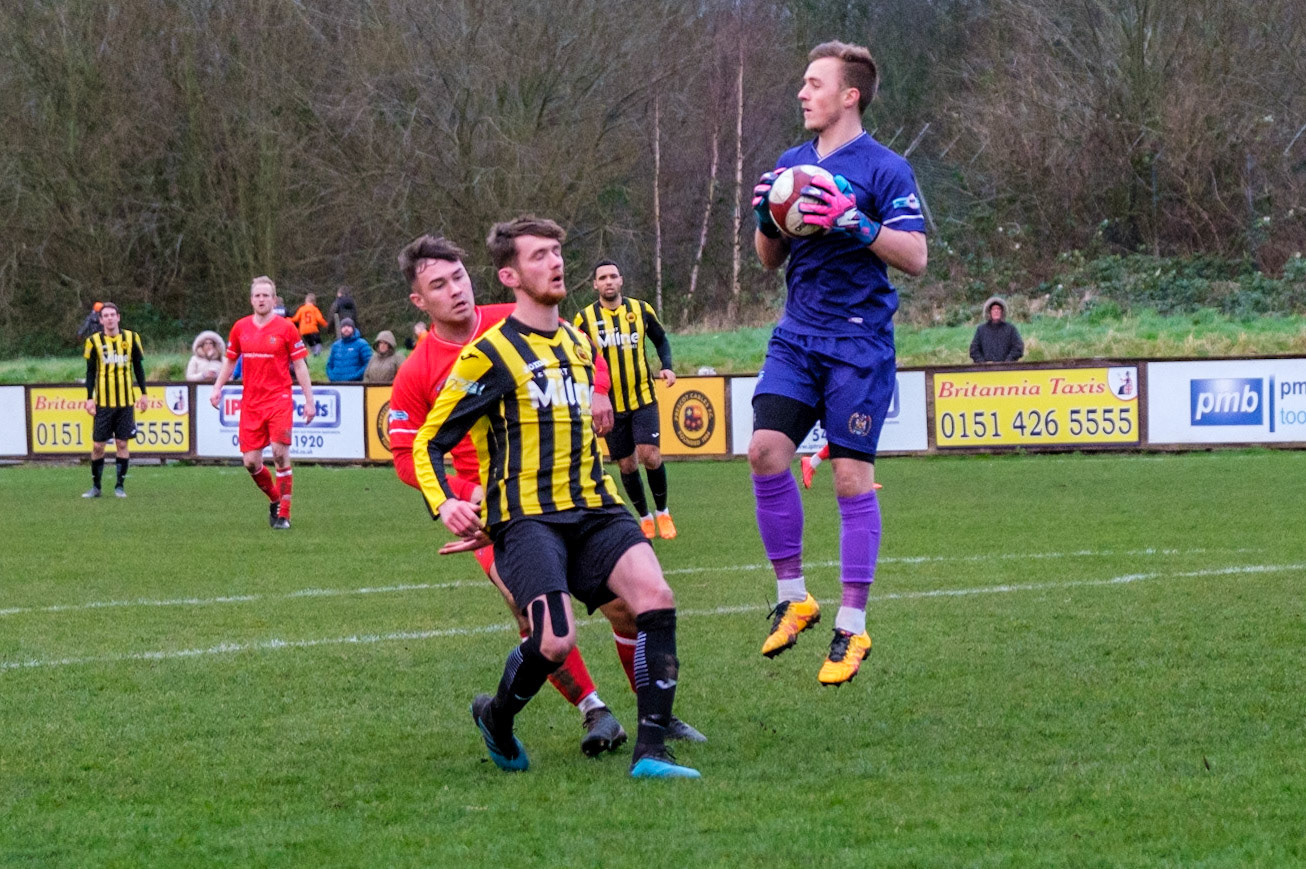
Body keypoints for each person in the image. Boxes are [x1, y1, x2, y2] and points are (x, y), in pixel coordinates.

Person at [390, 234, 703, 758]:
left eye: (459, 277)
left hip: (572, 497)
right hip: (497, 511)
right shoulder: (417, 372)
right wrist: (464, 497)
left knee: (630, 608)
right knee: (536, 621)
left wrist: (599, 390)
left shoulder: (516, 319)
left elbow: (586, 351)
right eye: (439, 286)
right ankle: (593, 709)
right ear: (419, 301)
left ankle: (656, 717)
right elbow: (408, 455)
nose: (456, 291)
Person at [749, 41, 928, 686]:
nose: (802, 93)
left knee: (850, 480)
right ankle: (793, 595)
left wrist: (857, 222)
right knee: (765, 451)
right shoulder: (790, 164)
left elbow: (915, 257)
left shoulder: (886, 168)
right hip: (797, 337)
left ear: (849, 95)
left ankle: (852, 627)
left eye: (814, 83)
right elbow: (769, 259)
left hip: (858, 344)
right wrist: (768, 218)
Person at [573, 260, 678, 540]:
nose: (608, 281)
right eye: (602, 278)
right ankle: (644, 518)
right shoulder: (583, 320)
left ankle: (663, 512)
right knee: (627, 465)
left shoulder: (641, 310)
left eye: (613, 276)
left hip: (642, 397)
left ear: (621, 280)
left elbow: (661, 339)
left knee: (650, 455)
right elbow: (576, 357)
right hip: (609, 406)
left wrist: (667, 366)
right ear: (595, 285)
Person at [209, 276, 316, 530]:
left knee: (280, 453)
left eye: (266, 295)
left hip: (279, 398)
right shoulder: (240, 327)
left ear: (274, 299)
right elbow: (230, 360)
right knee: (251, 462)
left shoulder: (286, 328)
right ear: (251, 300)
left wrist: (309, 400)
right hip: (251, 403)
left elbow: (300, 365)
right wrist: (217, 387)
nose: (261, 299)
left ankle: (284, 515)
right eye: (257, 295)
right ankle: (275, 499)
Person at [81, 302, 148, 498]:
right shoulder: (93, 341)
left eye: (112, 315)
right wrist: (89, 398)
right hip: (103, 403)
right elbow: (90, 372)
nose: (110, 318)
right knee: (98, 446)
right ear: (101, 320)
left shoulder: (132, 338)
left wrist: (144, 393)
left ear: (118, 317)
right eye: (106, 316)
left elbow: (138, 367)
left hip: (125, 402)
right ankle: (96, 487)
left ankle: (120, 486)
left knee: (122, 444)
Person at [969, 296, 1024, 364]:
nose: (996, 311)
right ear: (989, 312)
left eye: (998, 309)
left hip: (1007, 368)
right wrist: (983, 364)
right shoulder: (981, 330)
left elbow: (1018, 348)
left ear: (1002, 311)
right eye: (993, 309)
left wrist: (1007, 362)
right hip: (985, 369)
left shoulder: (1011, 329)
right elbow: (974, 350)